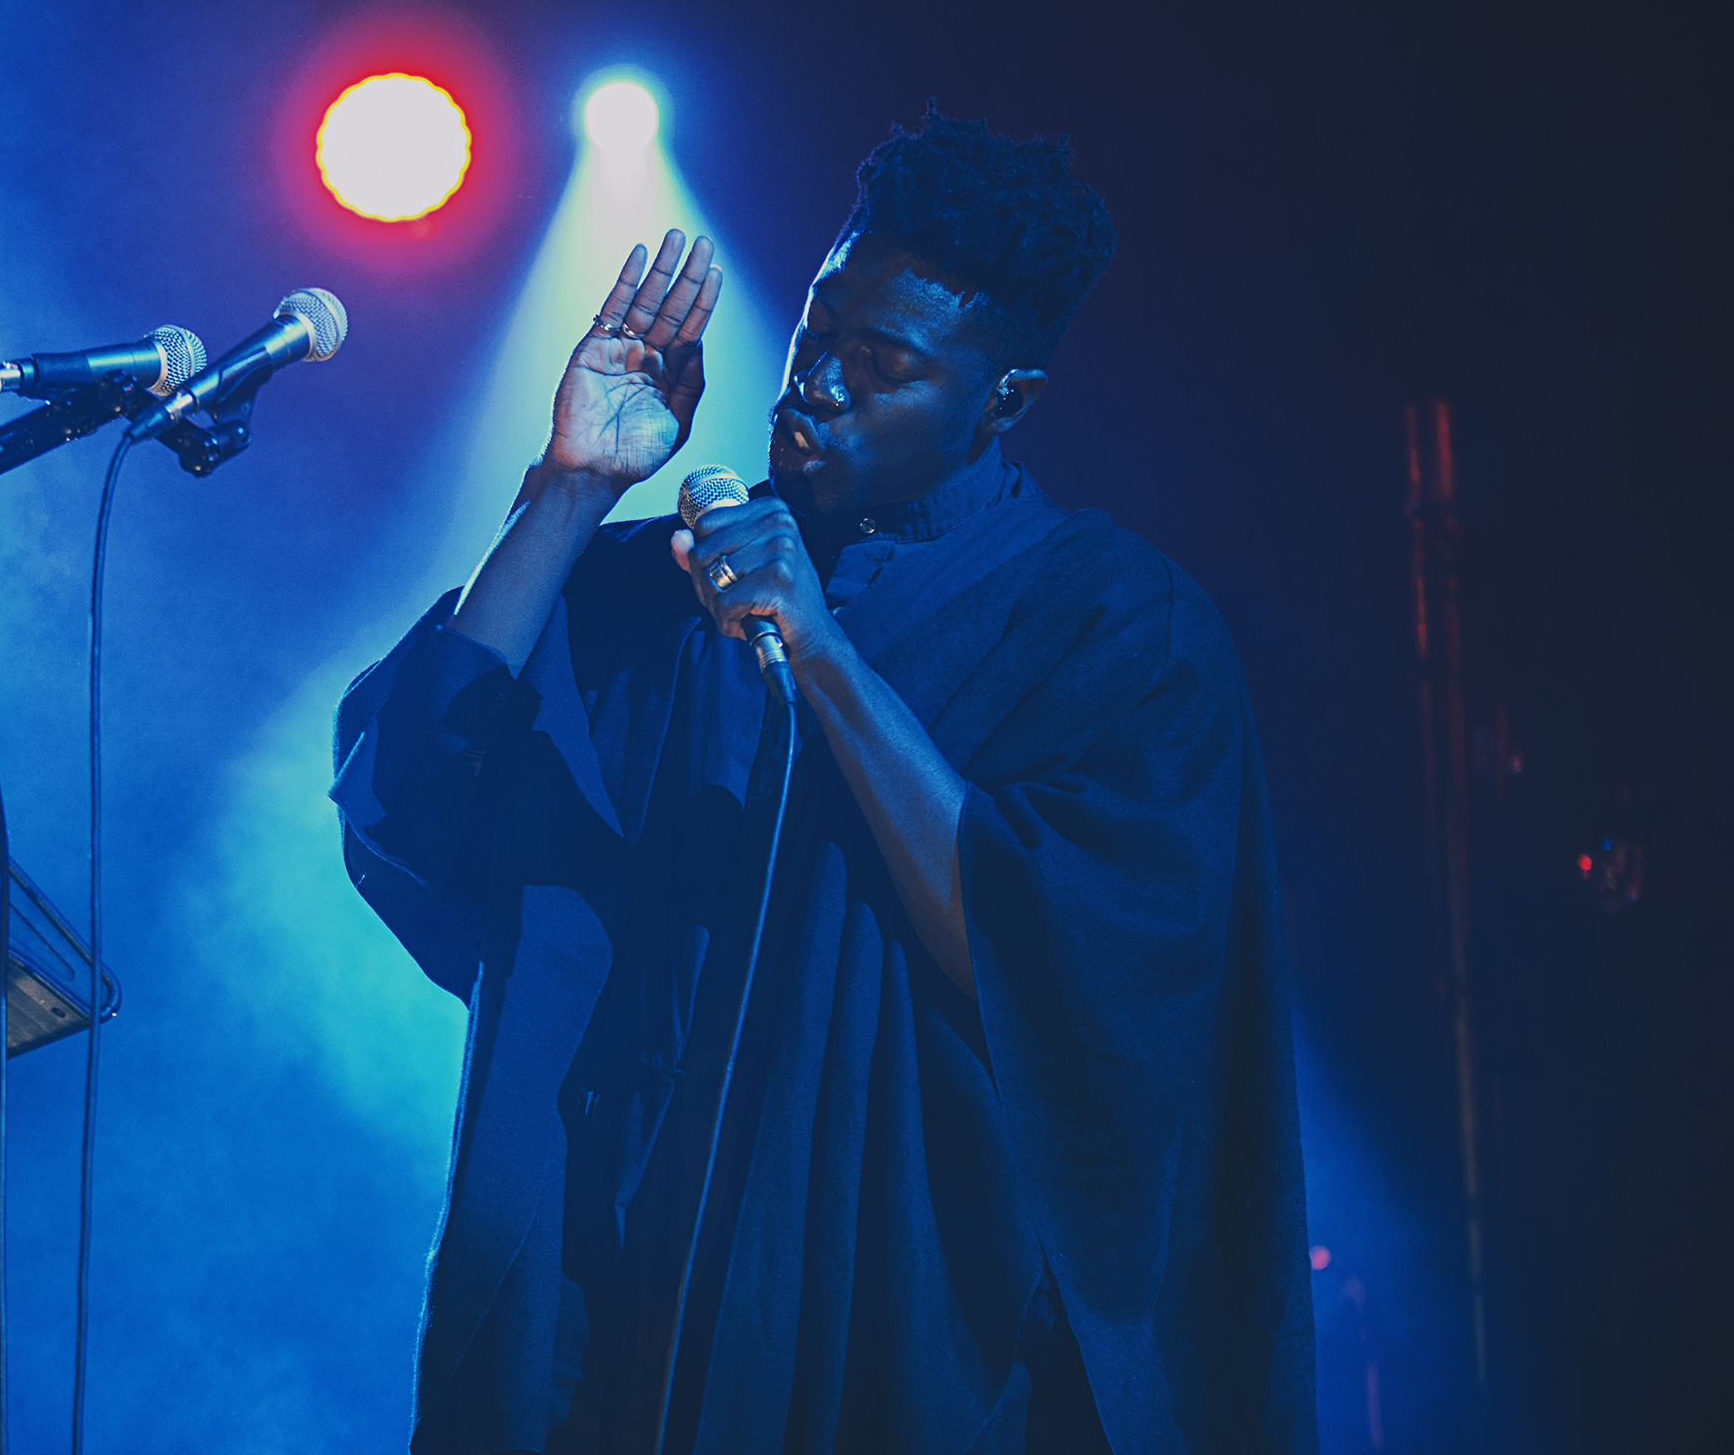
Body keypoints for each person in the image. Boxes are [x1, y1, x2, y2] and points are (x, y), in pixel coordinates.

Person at [332, 104, 1313, 1454]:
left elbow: (1073, 984)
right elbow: (418, 784)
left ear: (1001, 402)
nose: (819, 384)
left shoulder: (1114, 627)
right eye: (815, 331)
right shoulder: (666, 589)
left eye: (883, 361)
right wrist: (567, 489)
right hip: (604, 1332)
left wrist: (826, 654)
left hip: (903, 1338)